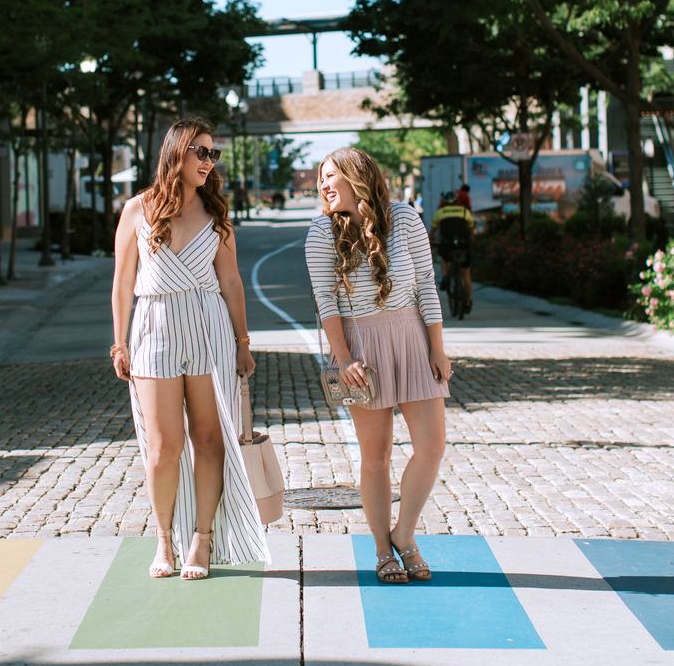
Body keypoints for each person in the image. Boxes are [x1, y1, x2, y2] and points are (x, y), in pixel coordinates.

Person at [111, 118, 268, 580]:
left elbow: (232, 281)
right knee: (162, 446)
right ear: (176, 153)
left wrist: (243, 341)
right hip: (154, 328)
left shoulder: (217, 214)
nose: (208, 161)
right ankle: (164, 541)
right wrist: (118, 341)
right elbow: (123, 281)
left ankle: (202, 539)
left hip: (208, 328)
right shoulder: (138, 210)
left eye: (213, 154)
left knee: (208, 438)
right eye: (201, 152)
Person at [306, 147, 450, 584]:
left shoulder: (404, 218)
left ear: (358, 178)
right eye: (321, 179)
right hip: (358, 346)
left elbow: (425, 283)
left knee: (431, 446)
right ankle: (382, 548)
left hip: (410, 337)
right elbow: (325, 302)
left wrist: (437, 347)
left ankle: (404, 534)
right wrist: (343, 357)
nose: (325, 185)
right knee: (376, 455)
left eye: (333, 177)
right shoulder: (319, 232)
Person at [430, 192, 475, 312]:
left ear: (444, 202)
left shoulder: (440, 213)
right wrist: (472, 237)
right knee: (466, 275)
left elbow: (433, 230)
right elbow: (471, 227)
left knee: (444, 258)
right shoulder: (465, 212)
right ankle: (467, 301)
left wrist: (430, 239)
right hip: (463, 245)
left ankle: (445, 276)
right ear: (457, 202)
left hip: (447, 244)